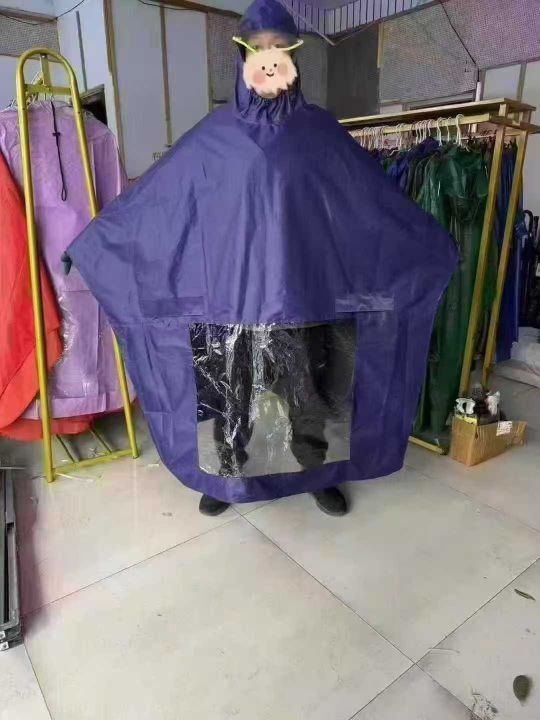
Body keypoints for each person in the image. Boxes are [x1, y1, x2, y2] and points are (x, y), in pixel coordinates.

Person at [67, 0, 456, 521]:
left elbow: (371, 204)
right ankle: (225, 475)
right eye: (259, 48)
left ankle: (319, 474)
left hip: (309, 298)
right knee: (229, 397)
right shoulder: (213, 138)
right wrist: (93, 243)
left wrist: (430, 243)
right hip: (229, 302)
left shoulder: (321, 135)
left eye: (279, 48)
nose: (269, 59)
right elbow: (157, 202)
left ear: (293, 57)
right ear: (242, 56)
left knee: (311, 396)